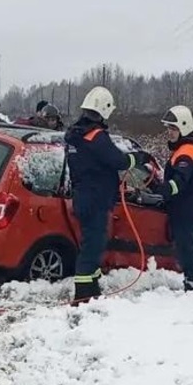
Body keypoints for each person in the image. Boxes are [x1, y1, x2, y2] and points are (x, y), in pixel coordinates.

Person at [64, 86, 141, 303]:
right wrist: (136, 159)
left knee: (93, 245)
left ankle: (93, 287)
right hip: (96, 199)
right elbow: (118, 160)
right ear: (105, 109)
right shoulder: (96, 137)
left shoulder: (75, 136)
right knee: (92, 248)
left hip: (82, 196)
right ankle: (83, 296)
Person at [149, 105, 193, 292]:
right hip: (183, 206)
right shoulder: (184, 148)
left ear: (184, 127)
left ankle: (192, 285)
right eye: (169, 129)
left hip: (186, 209)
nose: (169, 133)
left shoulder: (187, 152)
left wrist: (162, 189)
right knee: (183, 245)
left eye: (173, 129)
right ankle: (190, 281)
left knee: (187, 246)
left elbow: (180, 180)